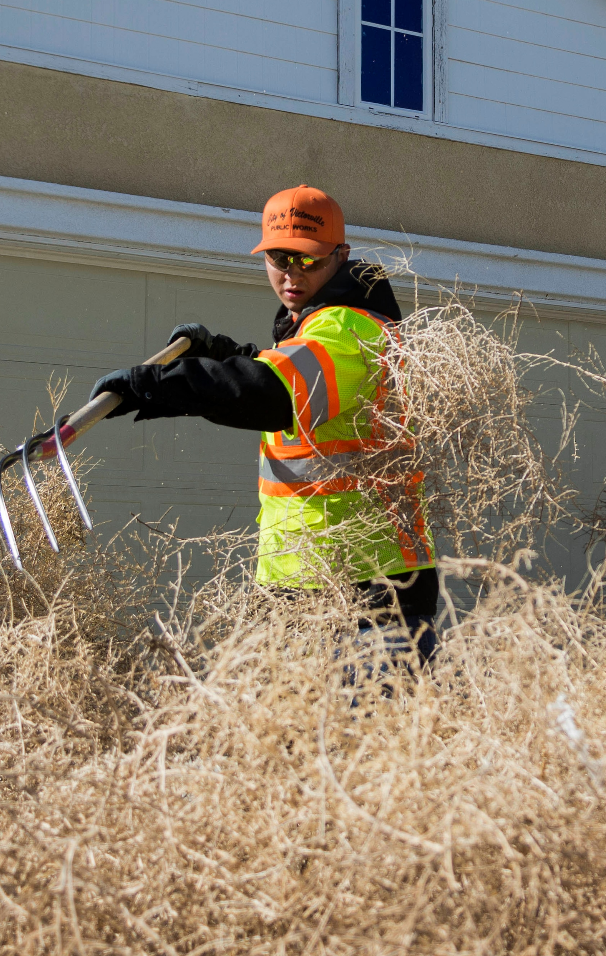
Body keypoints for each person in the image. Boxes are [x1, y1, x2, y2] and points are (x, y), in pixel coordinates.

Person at [89, 185, 438, 662]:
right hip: (304, 587)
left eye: (309, 260)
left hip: (369, 593)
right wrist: (224, 353)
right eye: (279, 257)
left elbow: (271, 393)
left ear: (341, 256)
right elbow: (281, 372)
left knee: (363, 736)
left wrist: (156, 385)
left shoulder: (349, 328)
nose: (292, 274)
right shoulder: (313, 326)